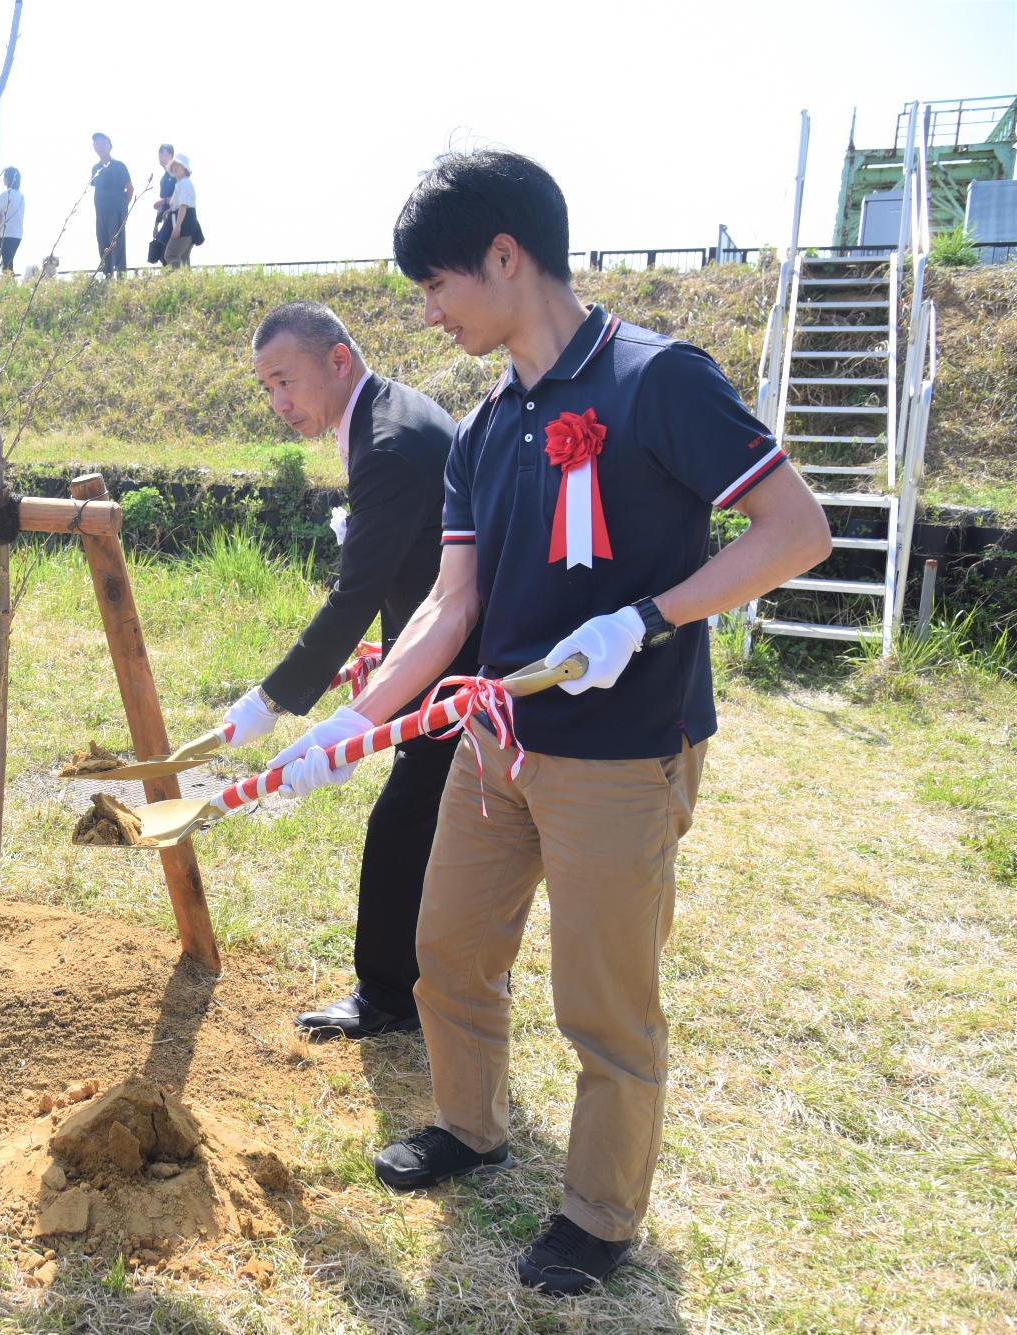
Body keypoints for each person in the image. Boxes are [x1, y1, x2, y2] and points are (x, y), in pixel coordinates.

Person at [275, 149, 829, 1296]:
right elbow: (449, 604)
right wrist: (348, 727)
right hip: (496, 746)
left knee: (602, 1002)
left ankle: (596, 1212)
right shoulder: (483, 430)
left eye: (437, 285)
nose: (428, 313)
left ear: (504, 255)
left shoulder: (654, 378)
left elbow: (795, 530)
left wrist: (647, 616)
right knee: (447, 953)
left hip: (620, 759)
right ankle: (470, 1130)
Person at [221, 301, 480, 1044]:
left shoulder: (389, 443)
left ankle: (389, 993)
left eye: (285, 381)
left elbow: (354, 595)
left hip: (458, 659)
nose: (278, 403)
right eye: (266, 387)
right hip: (431, 646)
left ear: (339, 360)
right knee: (428, 823)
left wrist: (272, 701)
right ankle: (429, 976)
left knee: (404, 822)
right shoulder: (379, 418)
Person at [89, 132, 132, 276]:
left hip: (117, 211)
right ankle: (107, 276)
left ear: (110, 146)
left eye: (103, 143)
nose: (99, 146)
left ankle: (121, 277)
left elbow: (130, 188)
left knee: (117, 245)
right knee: (102, 245)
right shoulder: (95, 168)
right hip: (100, 213)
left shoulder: (119, 166)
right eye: (96, 143)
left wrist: (123, 206)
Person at [162, 153, 200, 267]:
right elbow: (178, 205)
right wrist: (169, 212)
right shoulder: (181, 184)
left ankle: (179, 282)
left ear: (185, 169)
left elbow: (183, 206)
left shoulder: (185, 183)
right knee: (183, 258)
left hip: (185, 224)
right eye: (174, 165)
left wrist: (178, 226)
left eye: (179, 165)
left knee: (170, 254)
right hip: (187, 224)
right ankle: (187, 283)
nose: (175, 167)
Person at [0, 166, 25, 272]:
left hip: (7, 234)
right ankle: (10, 287)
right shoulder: (21, 197)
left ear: (8, 178)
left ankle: (9, 288)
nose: (3, 178)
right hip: (18, 235)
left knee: (6, 267)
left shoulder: (5, 195)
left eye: (4, 176)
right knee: (8, 264)